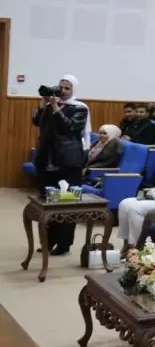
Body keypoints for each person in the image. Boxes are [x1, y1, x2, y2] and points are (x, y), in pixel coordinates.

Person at [31, 76, 91, 254]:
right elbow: (37, 122)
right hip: (46, 158)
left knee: (66, 202)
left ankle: (64, 244)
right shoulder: (50, 105)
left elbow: (67, 127)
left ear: (74, 90)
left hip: (68, 160)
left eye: (67, 88)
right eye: (61, 87)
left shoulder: (80, 108)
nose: (62, 91)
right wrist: (44, 103)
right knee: (48, 202)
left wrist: (55, 107)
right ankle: (48, 241)